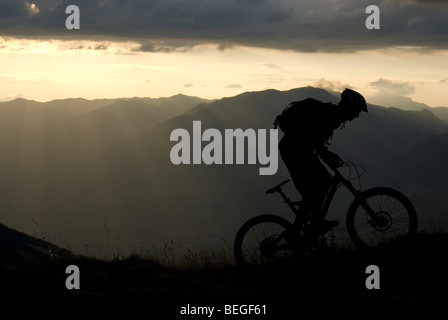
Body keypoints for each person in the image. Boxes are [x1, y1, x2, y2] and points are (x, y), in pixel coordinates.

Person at [276, 89, 368, 236]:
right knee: (318, 185)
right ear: (349, 107)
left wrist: (328, 155)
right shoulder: (332, 115)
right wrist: (327, 156)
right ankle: (304, 228)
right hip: (294, 151)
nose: (356, 116)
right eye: (356, 111)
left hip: (297, 150)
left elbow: (315, 140)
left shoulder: (332, 114)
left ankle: (308, 225)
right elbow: (315, 140)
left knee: (319, 185)